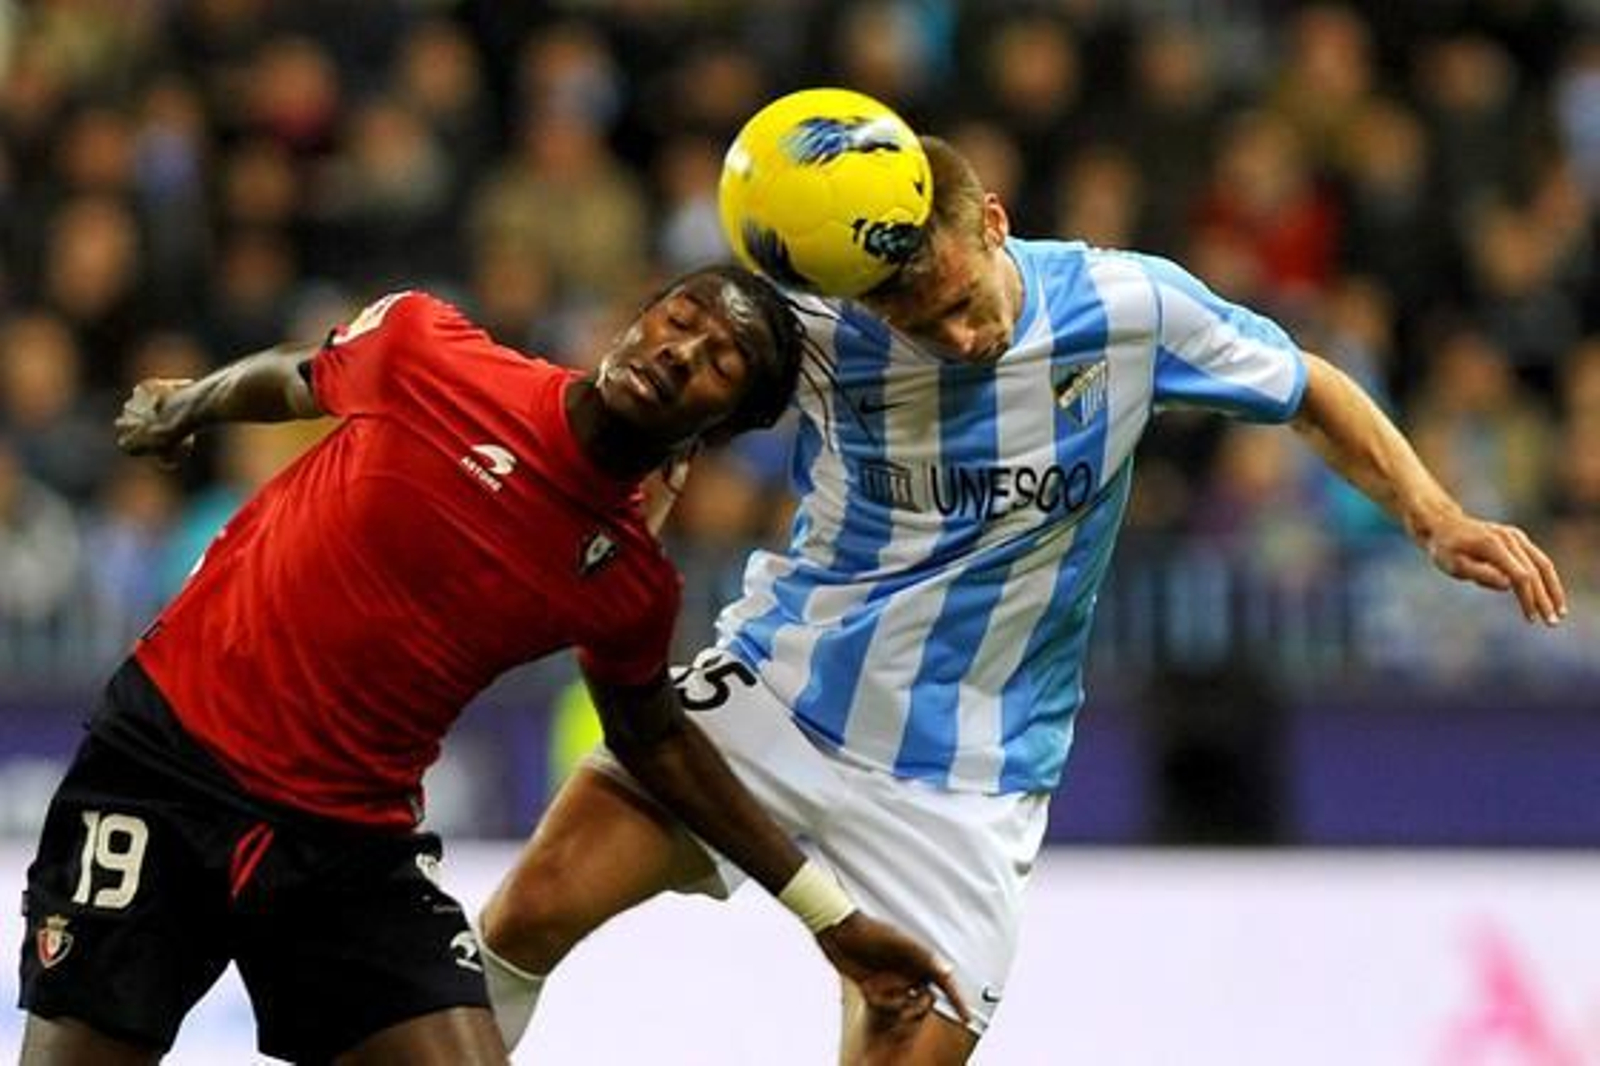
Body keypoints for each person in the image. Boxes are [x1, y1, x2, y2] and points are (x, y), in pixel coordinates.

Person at [475, 136, 1571, 1065]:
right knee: (526, 913)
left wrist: (1434, 515)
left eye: (959, 303)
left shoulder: (1128, 307)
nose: (955, 338)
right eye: (919, 323)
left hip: (966, 785)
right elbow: (663, 396)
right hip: (778, 692)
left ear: (994, 221)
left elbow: (1308, 387)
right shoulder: (823, 332)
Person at [15, 264, 964, 1066]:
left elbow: (658, 742)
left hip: (347, 844)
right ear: (636, 319)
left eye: (721, 362)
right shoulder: (432, 351)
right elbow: (304, 375)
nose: (683, 352)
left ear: (723, 428)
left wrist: (830, 918)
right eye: (681, 319)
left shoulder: (628, 583)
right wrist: (190, 405)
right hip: (168, 765)